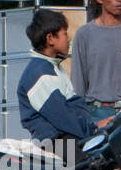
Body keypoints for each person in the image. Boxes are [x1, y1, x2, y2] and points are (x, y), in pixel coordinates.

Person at [17, 8, 108, 143]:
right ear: (50, 39)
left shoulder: (54, 67)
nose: (68, 39)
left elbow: (74, 105)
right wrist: (93, 129)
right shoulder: (40, 74)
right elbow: (62, 117)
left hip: (69, 137)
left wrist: (94, 125)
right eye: (64, 34)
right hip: (56, 143)